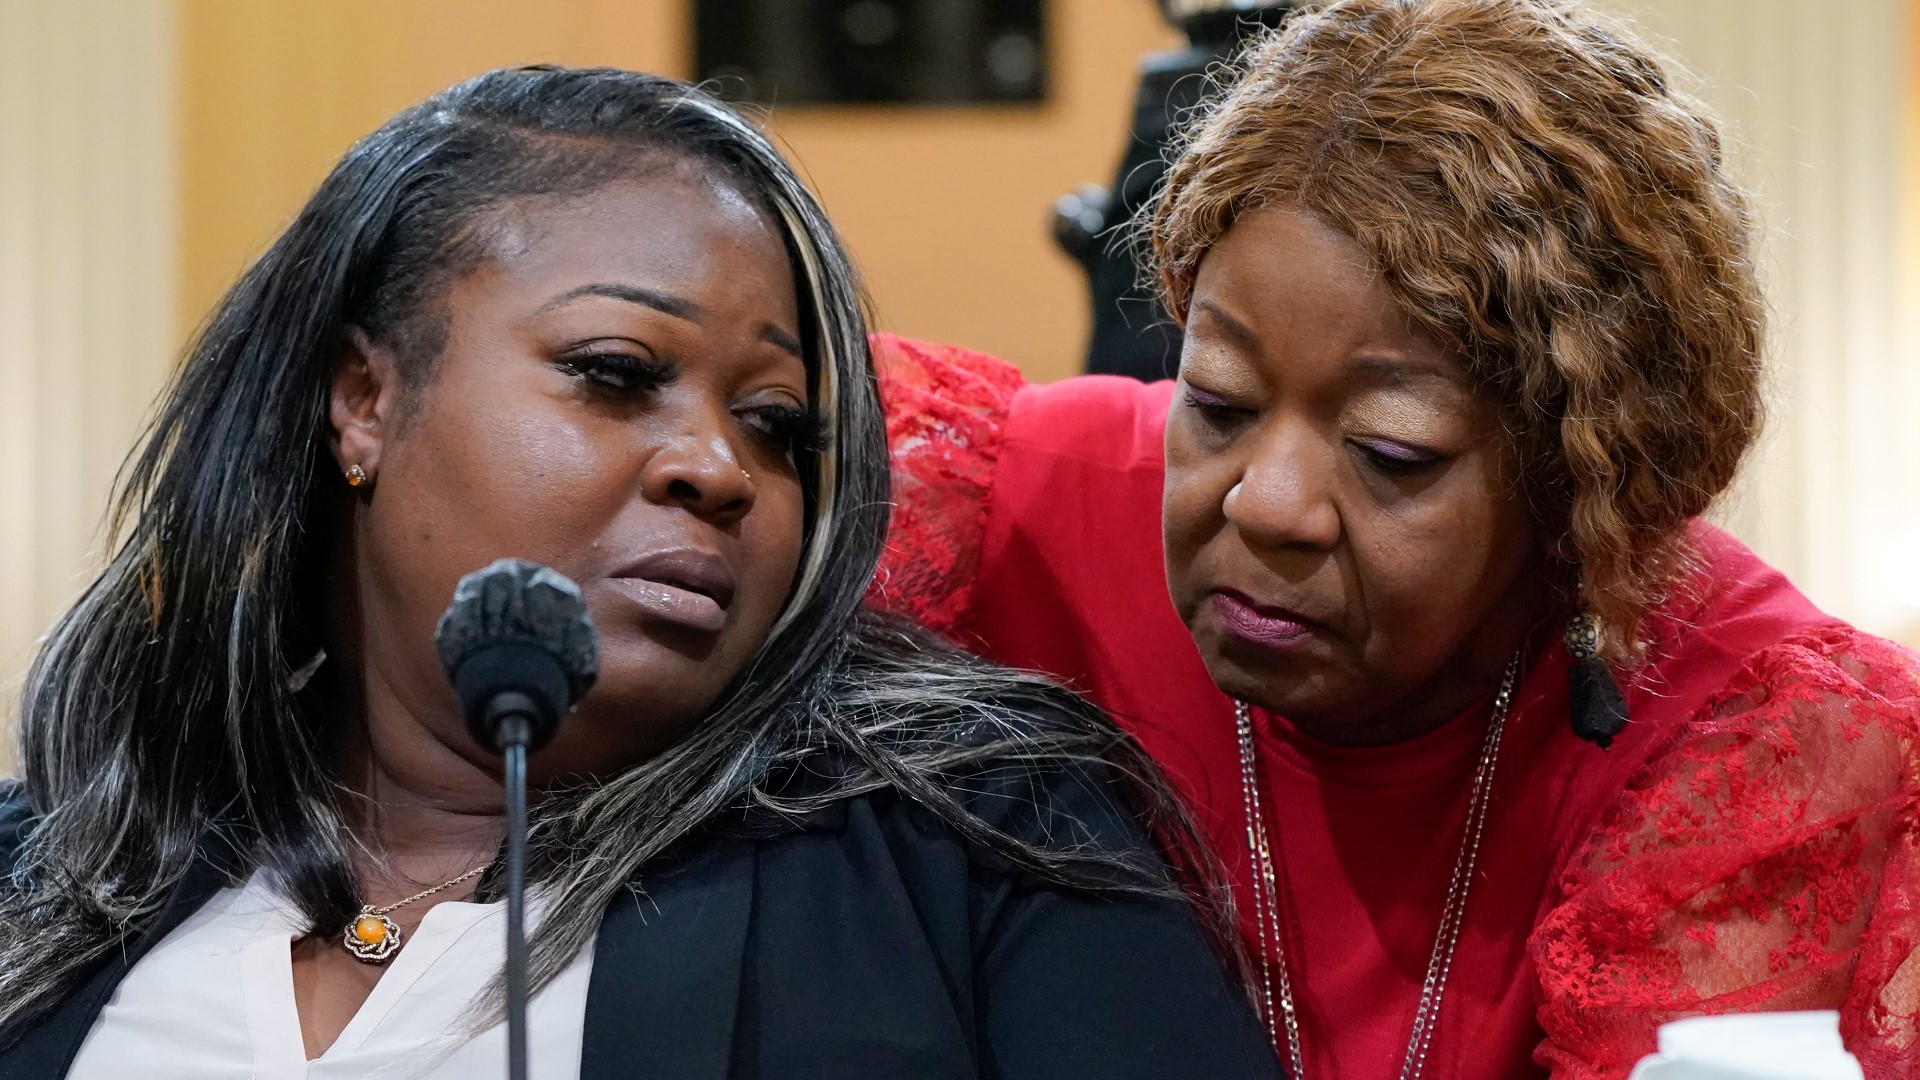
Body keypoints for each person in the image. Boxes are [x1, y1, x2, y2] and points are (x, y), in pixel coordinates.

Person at [0, 67, 1279, 1080]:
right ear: (362, 399)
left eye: (780, 426)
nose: (721, 470)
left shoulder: (979, 845)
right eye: (616, 373)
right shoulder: (46, 875)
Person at [868, 1, 1920, 1077]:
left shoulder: (1752, 743)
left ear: (1582, 484)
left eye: (1392, 452)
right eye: (1220, 402)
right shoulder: (1010, 510)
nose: (1266, 505)